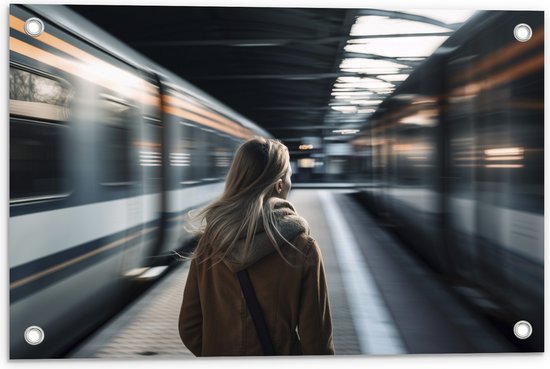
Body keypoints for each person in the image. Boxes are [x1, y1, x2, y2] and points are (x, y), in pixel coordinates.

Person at [178, 137, 335, 356]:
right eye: (289, 176)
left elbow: (190, 327)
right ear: (280, 185)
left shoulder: (211, 242)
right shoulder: (302, 247)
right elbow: (316, 340)